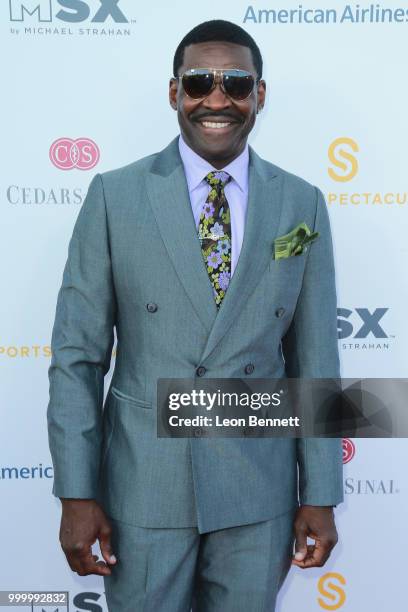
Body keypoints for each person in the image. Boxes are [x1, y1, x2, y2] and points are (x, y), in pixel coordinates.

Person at [47, 19, 343, 612]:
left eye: (236, 83)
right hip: (144, 490)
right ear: (174, 92)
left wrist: (322, 493)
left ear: (259, 95)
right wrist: (77, 494)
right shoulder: (114, 196)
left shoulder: (300, 203)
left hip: (257, 491)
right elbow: (78, 359)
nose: (217, 99)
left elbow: (314, 360)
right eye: (198, 82)